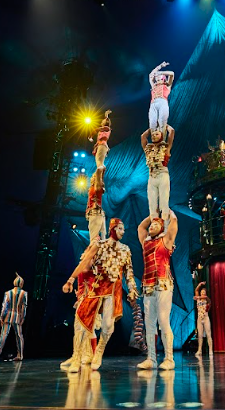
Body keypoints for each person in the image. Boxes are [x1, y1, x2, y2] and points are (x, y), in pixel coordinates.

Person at [62, 218, 138, 371]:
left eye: (123, 229)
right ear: (113, 229)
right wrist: (70, 280)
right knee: (82, 322)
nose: (123, 232)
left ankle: (99, 352)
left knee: (108, 326)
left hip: (113, 292)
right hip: (96, 288)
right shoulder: (100, 245)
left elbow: (129, 273)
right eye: (120, 228)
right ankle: (76, 357)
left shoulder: (125, 250)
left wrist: (132, 289)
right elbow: (84, 263)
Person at [137, 210, 179, 370]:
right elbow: (141, 227)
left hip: (163, 283)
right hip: (148, 285)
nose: (152, 226)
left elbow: (174, 222)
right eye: (151, 225)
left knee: (163, 320)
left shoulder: (166, 240)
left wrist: (167, 210)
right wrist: (151, 215)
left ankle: (169, 359)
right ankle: (151, 359)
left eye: (156, 224)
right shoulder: (145, 242)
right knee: (149, 323)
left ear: (162, 228)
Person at [0, 273, 28, 362]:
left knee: (3, 335)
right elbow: (24, 307)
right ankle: (20, 355)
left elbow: (4, 306)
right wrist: (23, 317)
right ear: (21, 284)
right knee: (19, 336)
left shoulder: (8, 293)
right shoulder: (24, 293)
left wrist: (1, 317)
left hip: (8, 316)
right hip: (17, 316)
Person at [142, 125, 175, 222]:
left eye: (156, 134)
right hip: (152, 177)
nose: (153, 135)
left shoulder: (166, 148)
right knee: (152, 205)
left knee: (164, 203)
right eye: (152, 135)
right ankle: (154, 225)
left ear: (162, 136)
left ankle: (165, 226)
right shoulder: (148, 150)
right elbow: (143, 137)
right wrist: (151, 128)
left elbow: (172, 131)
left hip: (162, 175)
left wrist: (165, 125)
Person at [148, 61, 174, 139]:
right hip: (153, 104)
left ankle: (162, 141)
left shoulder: (167, 85)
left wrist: (160, 72)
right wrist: (160, 66)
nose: (156, 77)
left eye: (159, 76)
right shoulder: (154, 86)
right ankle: (155, 141)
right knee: (152, 123)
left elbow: (172, 74)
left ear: (163, 78)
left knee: (162, 122)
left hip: (162, 102)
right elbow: (150, 75)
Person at [85, 171, 106, 244]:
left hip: (95, 213)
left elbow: (100, 173)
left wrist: (100, 169)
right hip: (98, 213)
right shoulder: (93, 188)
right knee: (102, 239)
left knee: (94, 239)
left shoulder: (97, 187)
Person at [92, 110, 112, 184]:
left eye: (103, 121)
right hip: (100, 146)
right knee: (100, 163)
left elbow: (97, 129)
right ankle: (100, 180)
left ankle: (98, 180)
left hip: (102, 145)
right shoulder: (104, 129)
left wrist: (106, 115)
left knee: (99, 164)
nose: (102, 121)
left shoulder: (107, 128)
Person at [193, 282, 213, 357]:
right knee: (200, 335)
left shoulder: (206, 300)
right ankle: (199, 350)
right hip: (199, 318)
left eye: (204, 292)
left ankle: (210, 349)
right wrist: (200, 284)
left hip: (206, 318)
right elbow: (196, 290)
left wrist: (198, 297)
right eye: (201, 292)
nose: (202, 293)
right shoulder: (198, 299)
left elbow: (208, 299)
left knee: (208, 334)